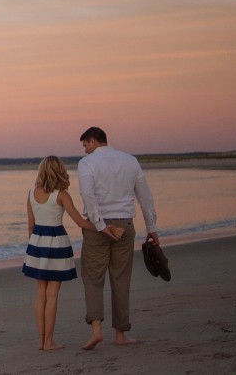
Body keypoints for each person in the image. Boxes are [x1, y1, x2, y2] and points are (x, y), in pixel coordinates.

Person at [22, 156, 119, 351]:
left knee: (41, 293)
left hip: (36, 244)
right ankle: (49, 341)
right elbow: (80, 222)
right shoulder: (62, 194)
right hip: (57, 243)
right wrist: (103, 227)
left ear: (41, 171)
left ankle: (42, 341)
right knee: (53, 294)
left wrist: (35, 244)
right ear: (60, 171)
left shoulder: (31, 193)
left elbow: (31, 225)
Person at [77, 127, 159, 350]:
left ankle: (96, 331)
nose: (85, 150)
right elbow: (145, 196)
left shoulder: (87, 163)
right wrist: (152, 228)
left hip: (98, 227)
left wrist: (100, 225)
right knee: (121, 279)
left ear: (93, 141)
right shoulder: (130, 161)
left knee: (93, 278)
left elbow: (88, 195)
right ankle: (121, 334)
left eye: (85, 145)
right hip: (125, 224)